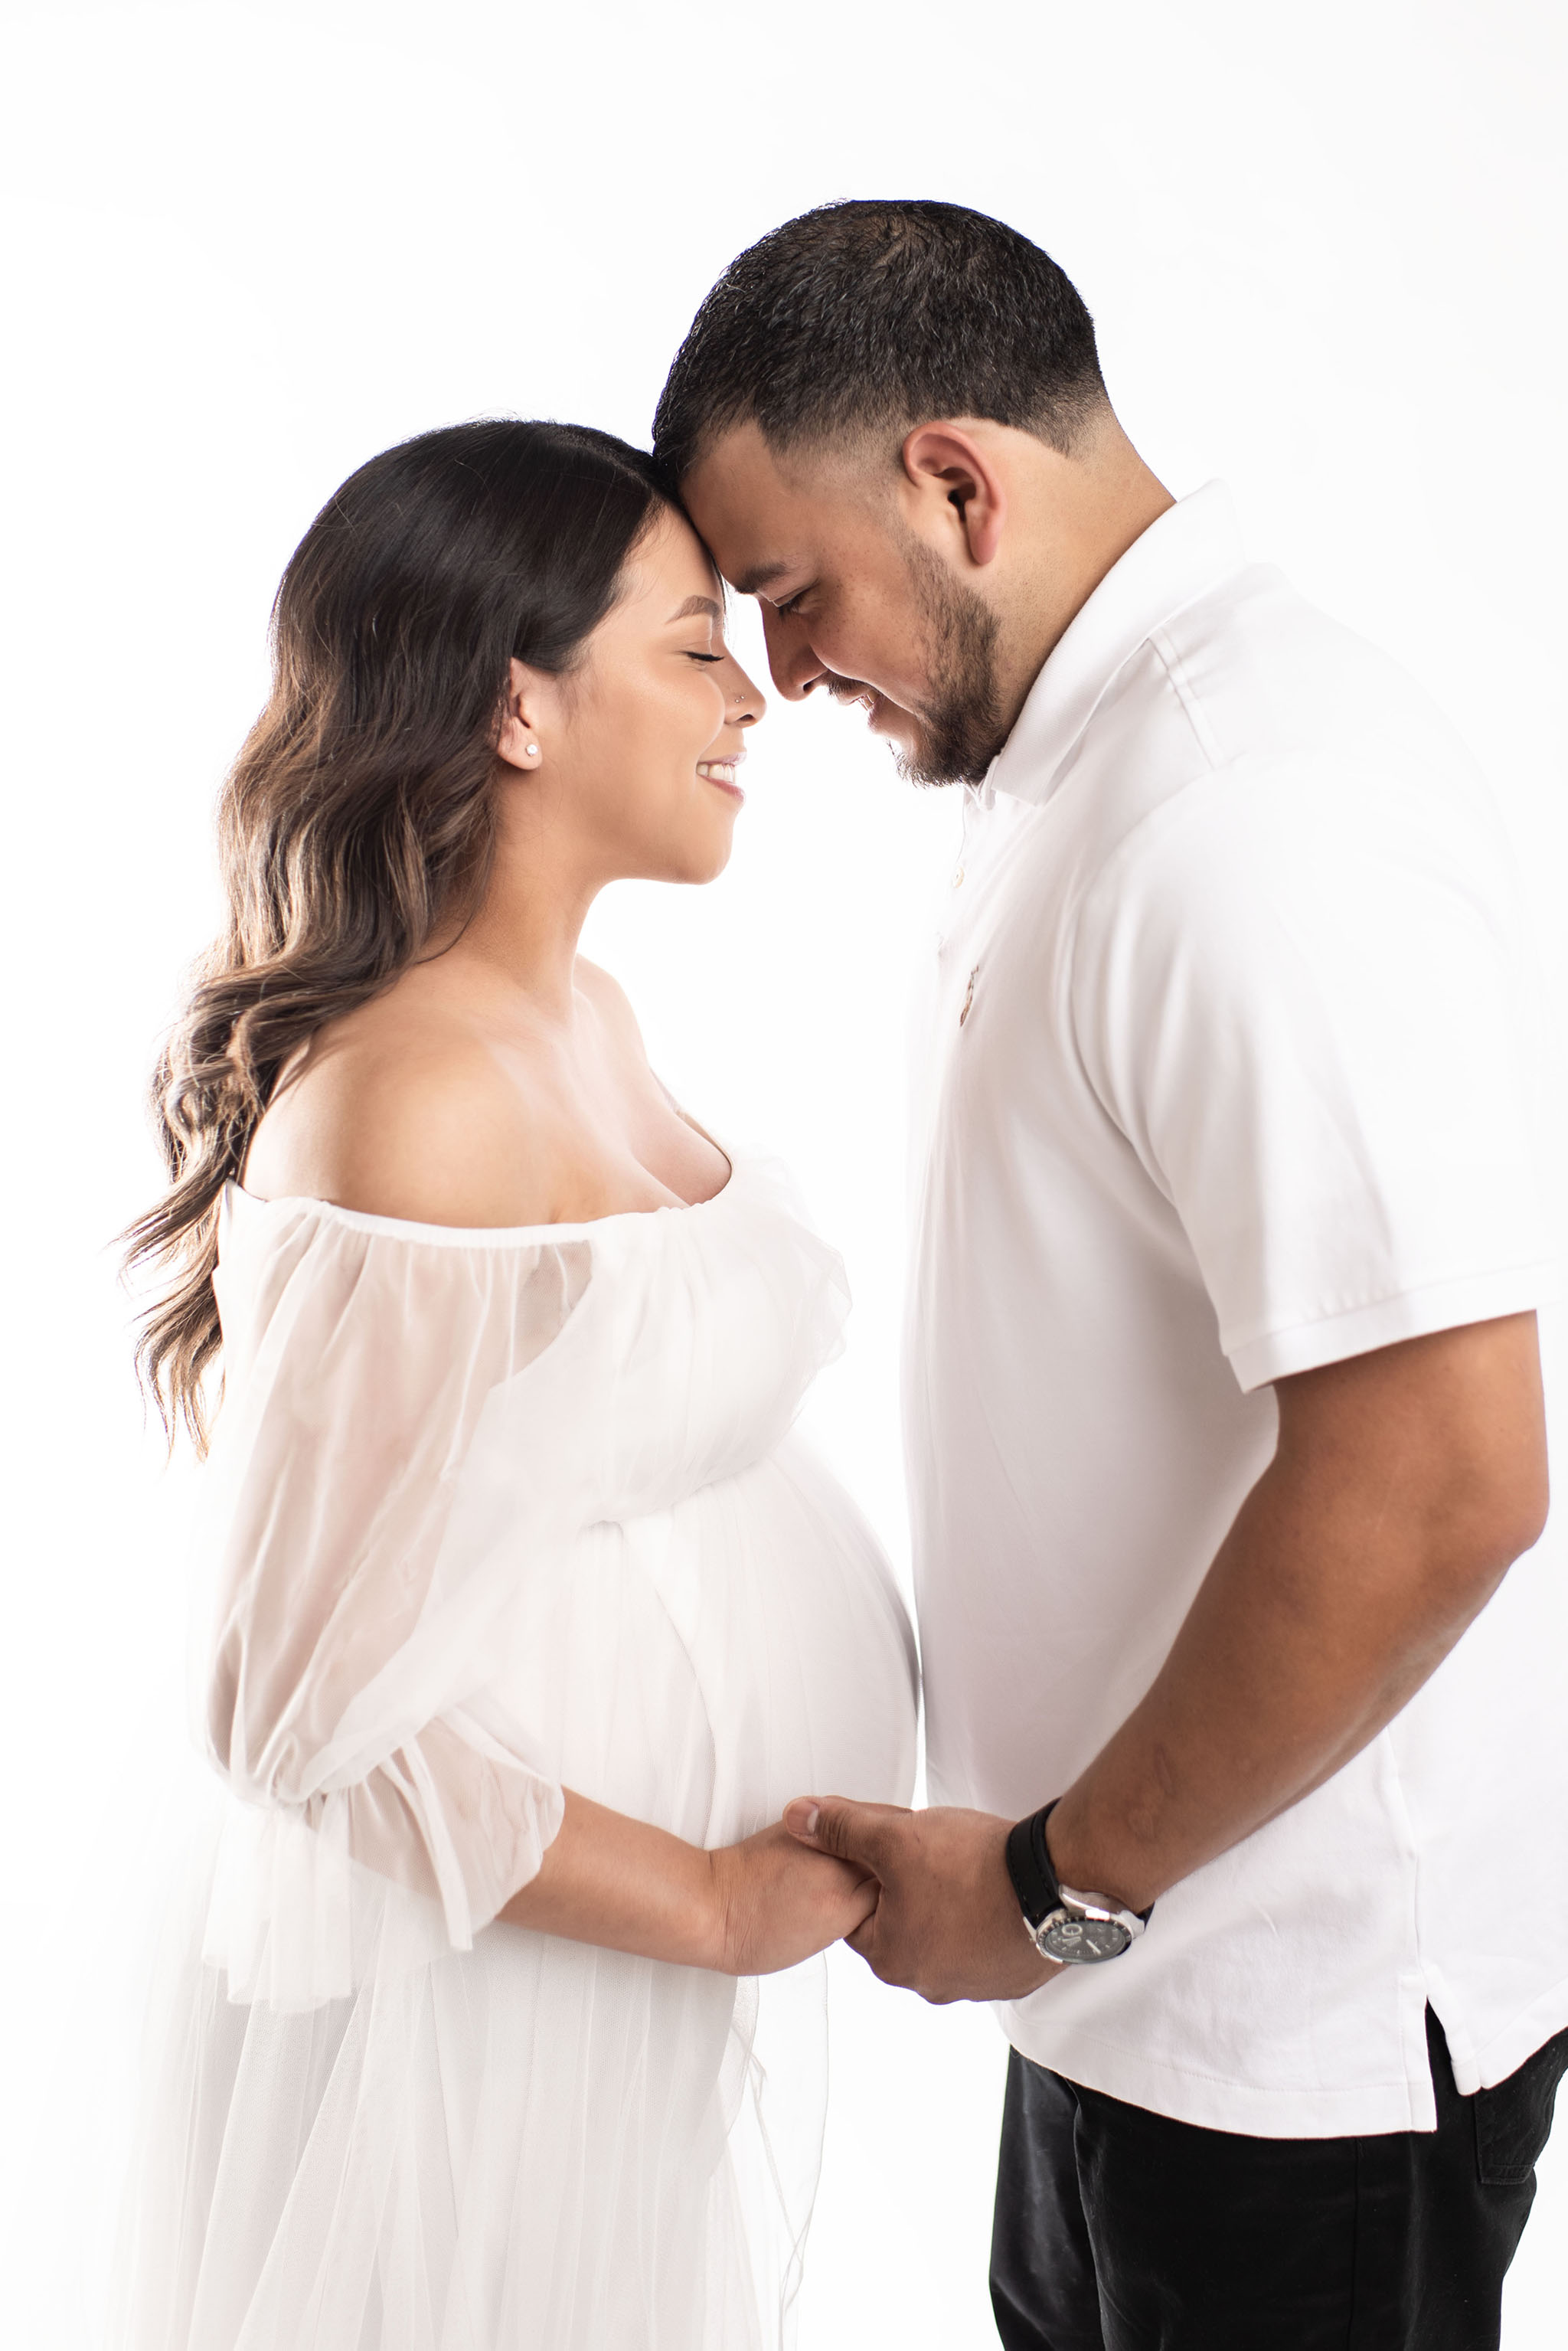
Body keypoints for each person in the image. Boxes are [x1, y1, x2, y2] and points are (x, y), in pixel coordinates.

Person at [656, 200, 1568, 2350]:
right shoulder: (1090, 755)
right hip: (1121, 1994)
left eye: (793, 595)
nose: (782, 677)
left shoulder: (1247, 802)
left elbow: (1445, 1470)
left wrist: (1059, 1884)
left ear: (961, 484)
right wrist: (1054, 1918)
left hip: (1283, 2039)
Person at [115, 418, 918, 2351]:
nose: (756, 694)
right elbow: (292, 1708)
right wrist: (714, 1900)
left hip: (575, 2005)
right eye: (691, 646)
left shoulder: (584, 1016)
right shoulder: (422, 1092)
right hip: (463, 2018)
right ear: (518, 708)